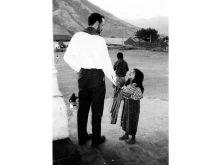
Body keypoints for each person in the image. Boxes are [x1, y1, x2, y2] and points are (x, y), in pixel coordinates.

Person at [63, 13, 116, 146]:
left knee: (83, 109)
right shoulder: (99, 40)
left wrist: (80, 69)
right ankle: (96, 139)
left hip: (82, 77)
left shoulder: (77, 36)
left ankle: (82, 137)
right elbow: (107, 65)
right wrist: (116, 81)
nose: (102, 28)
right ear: (97, 24)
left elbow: (67, 57)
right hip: (97, 78)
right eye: (102, 25)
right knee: (97, 110)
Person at [119, 68, 144, 144]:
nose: (130, 72)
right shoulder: (128, 82)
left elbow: (127, 93)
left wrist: (120, 89)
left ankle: (133, 137)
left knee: (132, 120)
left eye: (133, 73)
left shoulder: (135, 85)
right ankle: (126, 134)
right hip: (127, 104)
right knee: (126, 118)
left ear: (136, 77)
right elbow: (124, 91)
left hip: (133, 106)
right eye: (131, 71)